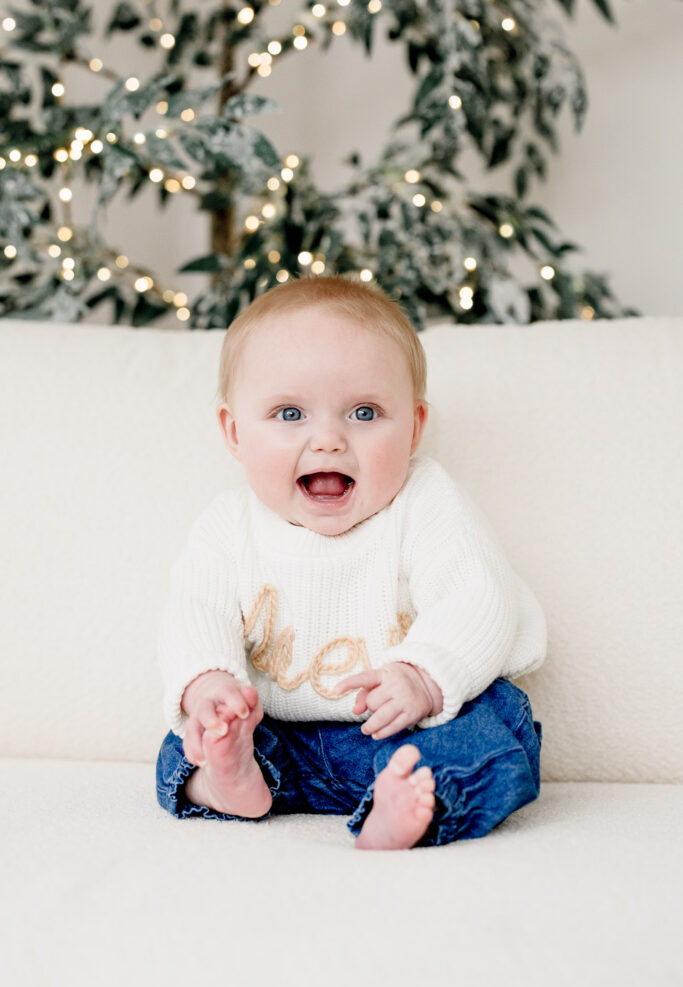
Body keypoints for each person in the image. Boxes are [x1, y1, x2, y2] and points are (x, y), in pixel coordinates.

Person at [156, 275, 546, 850]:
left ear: (413, 428)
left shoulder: (425, 502)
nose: (329, 440)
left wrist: (424, 677)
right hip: (278, 737)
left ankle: (405, 808)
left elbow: (478, 594)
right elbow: (195, 610)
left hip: (408, 732)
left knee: (496, 728)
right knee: (188, 739)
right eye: (290, 413)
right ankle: (229, 779)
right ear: (235, 433)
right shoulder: (229, 525)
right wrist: (209, 688)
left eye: (364, 412)